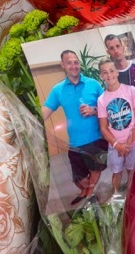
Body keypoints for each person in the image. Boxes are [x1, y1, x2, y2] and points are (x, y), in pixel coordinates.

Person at [42, 50, 108, 206]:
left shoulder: (94, 84)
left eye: (76, 62)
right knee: (78, 177)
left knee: (95, 169)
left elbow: (108, 107)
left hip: (96, 138)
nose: (74, 65)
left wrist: (94, 111)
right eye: (69, 62)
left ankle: (89, 195)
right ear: (63, 65)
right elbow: (44, 111)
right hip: (75, 142)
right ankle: (86, 191)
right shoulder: (58, 90)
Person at [96, 58, 135, 195]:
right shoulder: (101, 100)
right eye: (105, 72)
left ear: (117, 71)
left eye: (111, 70)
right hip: (115, 144)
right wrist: (117, 145)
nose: (109, 75)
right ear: (101, 76)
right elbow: (104, 128)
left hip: (133, 143)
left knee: (132, 170)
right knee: (116, 172)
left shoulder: (131, 90)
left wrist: (129, 142)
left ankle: (132, 195)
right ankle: (115, 198)